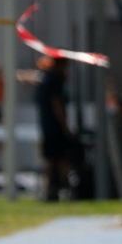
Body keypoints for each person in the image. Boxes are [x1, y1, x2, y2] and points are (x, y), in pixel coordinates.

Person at [36, 56, 80, 201]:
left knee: (50, 159)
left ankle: (50, 190)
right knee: (61, 159)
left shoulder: (45, 78)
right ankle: (67, 189)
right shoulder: (54, 80)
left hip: (47, 126)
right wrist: (65, 126)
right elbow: (57, 104)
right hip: (55, 127)